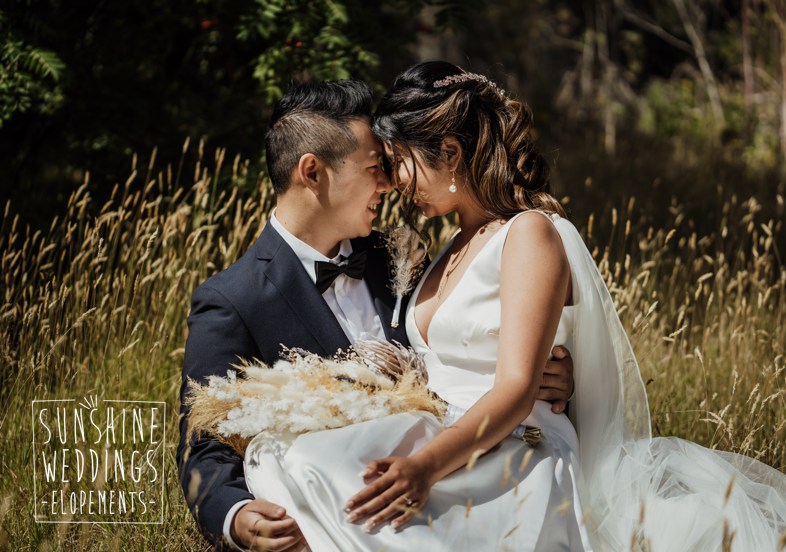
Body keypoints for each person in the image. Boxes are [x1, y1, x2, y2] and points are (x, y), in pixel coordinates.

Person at [241, 62, 786, 551]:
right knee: (297, 463)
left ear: (448, 151)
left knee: (354, 496)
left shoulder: (529, 234)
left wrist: (424, 467)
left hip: (514, 454)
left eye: (401, 162)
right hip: (450, 435)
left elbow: (518, 387)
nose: (394, 182)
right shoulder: (442, 250)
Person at [176, 80, 576, 551]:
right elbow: (201, 444)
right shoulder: (233, 299)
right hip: (350, 508)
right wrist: (237, 518)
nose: (389, 184)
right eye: (374, 168)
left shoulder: (399, 258)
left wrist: (553, 376)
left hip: (460, 485)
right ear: (313, 173)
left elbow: (478, 348)